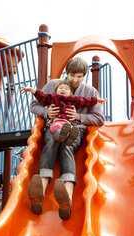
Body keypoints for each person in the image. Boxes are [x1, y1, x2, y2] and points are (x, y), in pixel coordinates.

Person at [28, 57, 105, 220]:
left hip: (75, 129)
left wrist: (79, 116)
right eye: (72, 76)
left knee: (66, 146)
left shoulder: (91, 92)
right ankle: (39, 193)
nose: (75, 80)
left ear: (84, 75)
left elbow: (99, 118)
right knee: (52, 141)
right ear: (66, 73)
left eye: (79, 76)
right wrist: (46, 113)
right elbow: (34, 105)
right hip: (54, 125)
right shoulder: (53, 86)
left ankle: (67, 199)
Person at [21, 81, 106, 146]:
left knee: (70, 129)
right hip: (56, 122)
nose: (63, 90)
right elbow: (42, 96)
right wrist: (32, 90)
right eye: (60, 88)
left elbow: (85, 101)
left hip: (68, 124)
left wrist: (97, 100)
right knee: (57, 129)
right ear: (56, 91)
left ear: (70, 93)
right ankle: (61, 136)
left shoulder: (73, 100)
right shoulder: (53, 98)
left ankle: (68, 137)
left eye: (66, 89)